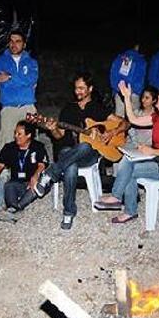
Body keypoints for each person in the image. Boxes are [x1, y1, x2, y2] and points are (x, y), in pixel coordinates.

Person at [33, 72, 128, 230]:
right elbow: (59, 135)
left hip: (89, 154)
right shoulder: (69, 109)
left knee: (85, 146)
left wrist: (111, 132)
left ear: (90, 89)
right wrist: (53, 129)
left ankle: (50, 174)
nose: (78, 91)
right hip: (67, 151)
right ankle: (69, 212)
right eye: (76, 88)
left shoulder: (98, 108)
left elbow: (125, 123)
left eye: (82, 88)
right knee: (70, 166)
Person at [95, 83, 159, 224]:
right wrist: (127, 97)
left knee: (128, 169)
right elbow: (133, 120)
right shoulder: (157, 117)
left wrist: (151, 151)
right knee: (127, 162)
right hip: (158, 159)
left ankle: (119, 200)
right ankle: (124, 205)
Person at [0, 121, 48, 223]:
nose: (16, 136)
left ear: (28, 135)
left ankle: (16, 209)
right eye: (15, 133)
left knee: (39, 185)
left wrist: (35, 176)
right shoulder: (9, 147)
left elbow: (42, 165)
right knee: (8, 185)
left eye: (19, 134)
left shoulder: (38, 147)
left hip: (32, 182)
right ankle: (13, 209)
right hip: (17, 182)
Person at [0, 31, 39, 148]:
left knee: (31, 143)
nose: (14, 44)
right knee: (8, 144)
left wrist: (10, 77)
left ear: (24, 44)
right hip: (9, 107)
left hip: (28, 106)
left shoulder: (32, 62)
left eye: (18, 41)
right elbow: (4, 83)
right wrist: (23, 81)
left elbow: (32, 79)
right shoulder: (1, 60)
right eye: (11, 41)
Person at [109, 43, 147, 118]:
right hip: (132, 93)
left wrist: (118, 89)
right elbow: (141, 79)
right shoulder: (140, 60)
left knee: (120, 118)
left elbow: (113, 75)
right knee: (134, 116)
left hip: (121, 91)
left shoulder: (120, 58)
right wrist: (134, 91)